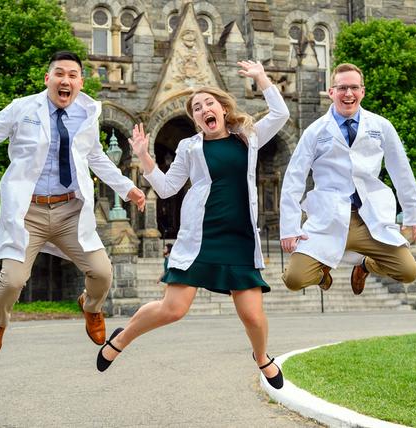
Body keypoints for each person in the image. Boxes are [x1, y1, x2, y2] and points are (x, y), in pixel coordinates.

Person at [0, 51, 146, 361]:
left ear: (81, 82)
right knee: (12, 281)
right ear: (47, 79)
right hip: (29, 213)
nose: (66, 80)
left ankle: (91, 306)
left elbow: (96, 157)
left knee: (102, 273)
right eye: (59, 73)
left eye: (73, 75)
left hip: (69, 212)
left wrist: (128, 188)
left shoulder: (87, 114)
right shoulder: (22, 109)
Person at [95, 60, 289, 390]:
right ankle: (122, 337)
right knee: (172, 310)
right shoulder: (189, 147)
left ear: (223, 108)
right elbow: (169, 187)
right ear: (195, 118)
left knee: (253, 316)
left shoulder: (248, 136)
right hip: (201, 238)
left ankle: (261, 357)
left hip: (240, 239)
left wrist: (261, 78)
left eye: (208, 103)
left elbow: (281, 115)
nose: (202, 110)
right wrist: (144, 157)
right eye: (196, 108)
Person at [279, 63, 416, 296]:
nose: (349, 94)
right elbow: (294, 178)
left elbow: (401, 171)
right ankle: (323, 270)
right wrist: (289, 227)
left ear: (363, 92)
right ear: (331, 92)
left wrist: (413, 214)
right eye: (342, 87)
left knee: (408, 271)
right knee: (294, 279)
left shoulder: (381, 126)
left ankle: (364, 265)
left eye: (354, 88)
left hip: (369, 218)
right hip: (329, 219)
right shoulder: (315, 131)